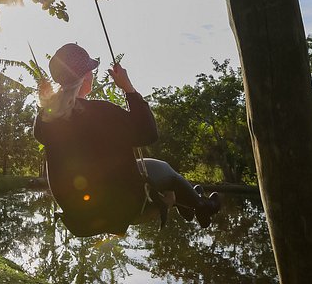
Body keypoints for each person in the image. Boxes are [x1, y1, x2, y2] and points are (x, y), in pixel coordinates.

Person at [33, 43, 221, 237]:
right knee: (165, 170)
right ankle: (201, 205)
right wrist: (128, 89)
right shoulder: (100, 113)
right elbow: (148, 133)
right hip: (117, 206)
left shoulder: (45, 118)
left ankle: (191, 202)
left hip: (78, 212)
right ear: (84, 76)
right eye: (91, 71)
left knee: (146, 167)